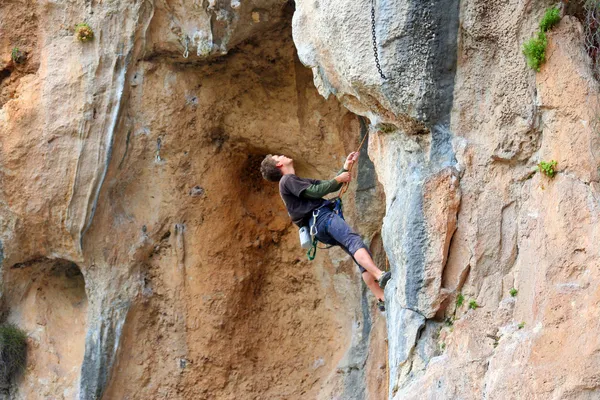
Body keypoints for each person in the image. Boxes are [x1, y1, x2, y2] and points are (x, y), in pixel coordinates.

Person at [260, 152, 392, 311]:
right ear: (278, 165)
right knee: (354, 242)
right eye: (277, 157)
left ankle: (381, 297)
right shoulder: (287, 180)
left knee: (355, 250)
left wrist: (345, 168)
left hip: (319, 226)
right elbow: (316, 192)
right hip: (322, 218)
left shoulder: (294, 181)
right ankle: (380, 275)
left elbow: (325, 186)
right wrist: (338, 179)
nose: (281, 155)